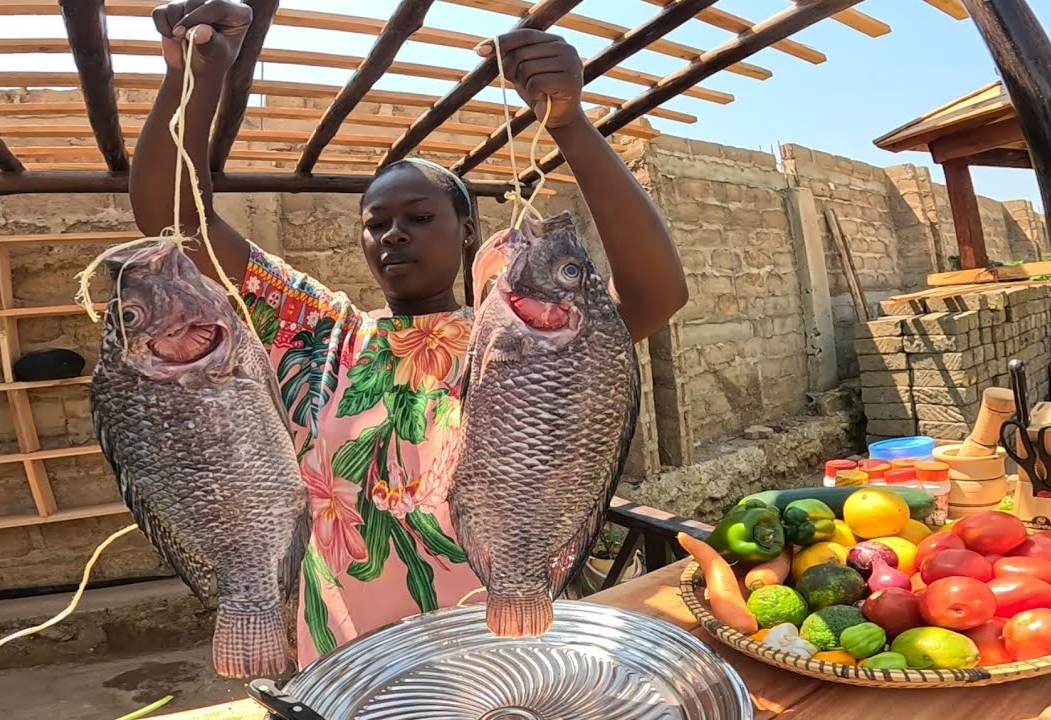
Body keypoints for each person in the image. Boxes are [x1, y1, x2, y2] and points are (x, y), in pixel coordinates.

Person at [133, 0, 688, 669]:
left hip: (505, 649)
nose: (393, 233)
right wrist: (192, 80)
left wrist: (570, 124)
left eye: (420, 216)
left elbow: (659, 293)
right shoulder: (315, 335)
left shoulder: (528, 342)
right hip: (349, 657)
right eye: (376, 222)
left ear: (469, 232)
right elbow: (174, 224)